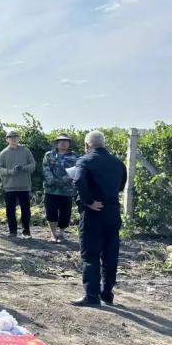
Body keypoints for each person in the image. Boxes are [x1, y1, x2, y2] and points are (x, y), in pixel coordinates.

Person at [71, 131, 127, 307]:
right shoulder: (118, 162)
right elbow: (121, 185)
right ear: (103, 144)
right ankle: (107, 293)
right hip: (112, 212)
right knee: (111, 253)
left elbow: (78, 179)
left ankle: (91, 295)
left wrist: (88, 201)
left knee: (91, 254)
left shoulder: (85, 160)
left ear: (87, 145)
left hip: (93, 213)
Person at [0, 130, 36, 237]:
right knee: (10, 210)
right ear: (7, 139)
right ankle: (12, 231)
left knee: (26, 210)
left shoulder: (26, 150)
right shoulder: (3, 153)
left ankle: (26, 231)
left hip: (24, 186)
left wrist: (24, 168)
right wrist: (10, 171)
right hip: (9, 187)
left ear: (19, 138)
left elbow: (33, 165)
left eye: (15, 137)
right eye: (11, 137)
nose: (13, 139)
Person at [43, 134, 78, 243]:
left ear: (69, 143)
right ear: (57, 143)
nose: (63, 143)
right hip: (51, 189)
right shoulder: (49, 155)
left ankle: (61, 233)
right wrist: (53, 180)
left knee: (65, 214)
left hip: (67, 190)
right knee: (51, 212)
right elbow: (46, 169)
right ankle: (53, 234)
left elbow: (76, 170)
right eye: (60, 141)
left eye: (66, 141)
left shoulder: (75, 156)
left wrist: (64, 180)